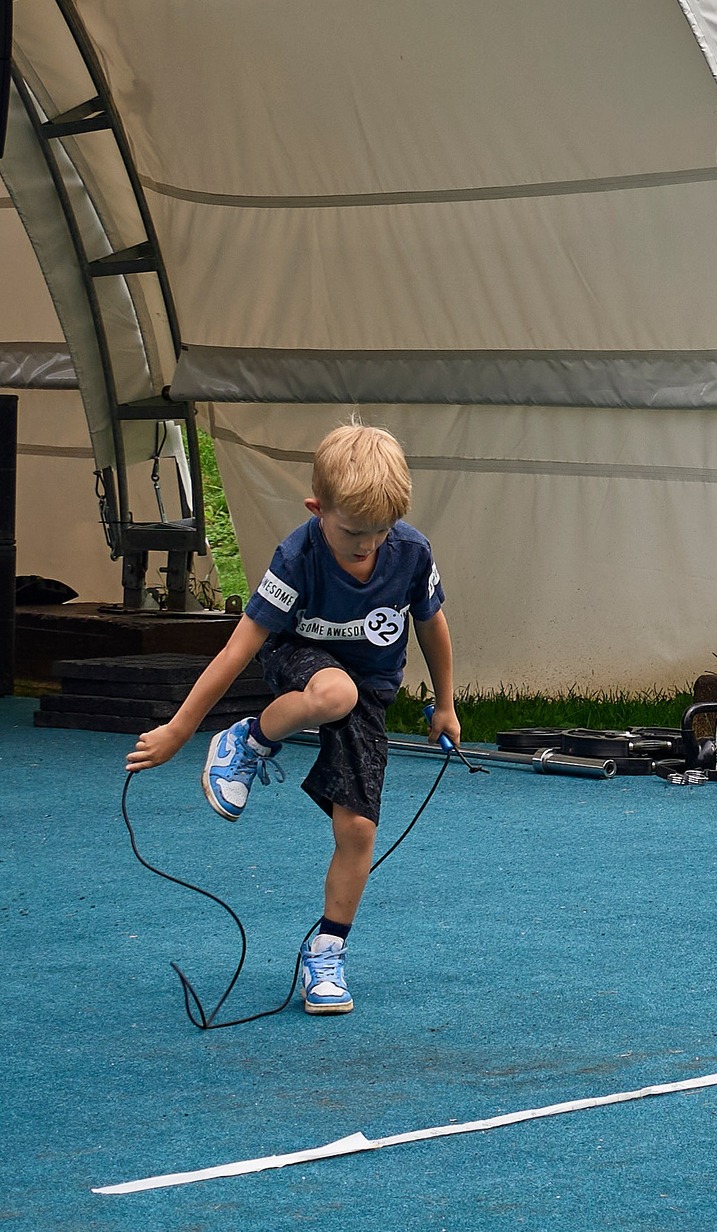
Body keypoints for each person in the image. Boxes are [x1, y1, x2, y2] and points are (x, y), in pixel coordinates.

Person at [125, 422, 456, 1018]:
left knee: (358, 831)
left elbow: (432, 625)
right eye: (353, 532)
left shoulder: (410, 553)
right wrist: (179, 730)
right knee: (335, 692)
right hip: (299, 666)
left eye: (380, 533)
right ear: (316, 508)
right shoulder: (297, 555)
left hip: (372, 691)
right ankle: (246, 742)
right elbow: (237, 649)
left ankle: (326, 952)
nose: (366, 545)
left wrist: (447, 702)